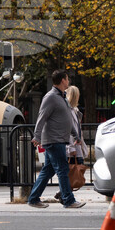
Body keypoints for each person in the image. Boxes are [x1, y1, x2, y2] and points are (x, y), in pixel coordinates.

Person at [27, 70, 85, 209]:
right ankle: (68, 200)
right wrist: (37, 136)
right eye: (67, 79)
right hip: (54, 140)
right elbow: (42, 117)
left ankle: (33, 199)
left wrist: (76, 135)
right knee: (63, 170)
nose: (68, 81)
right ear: (62, 80)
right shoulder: (51, 97)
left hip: (59, 139)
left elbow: (67, 119)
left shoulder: (62, 97)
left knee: (48, 170)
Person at [49, 85, 87, 204]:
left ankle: (63, 193)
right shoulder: (68, 111)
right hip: (72, 147)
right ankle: (65, 195)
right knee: (71, 173)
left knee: (72, 172)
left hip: (76, 146)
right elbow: (68, 131)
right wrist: (71, 148)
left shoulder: (75, 111)